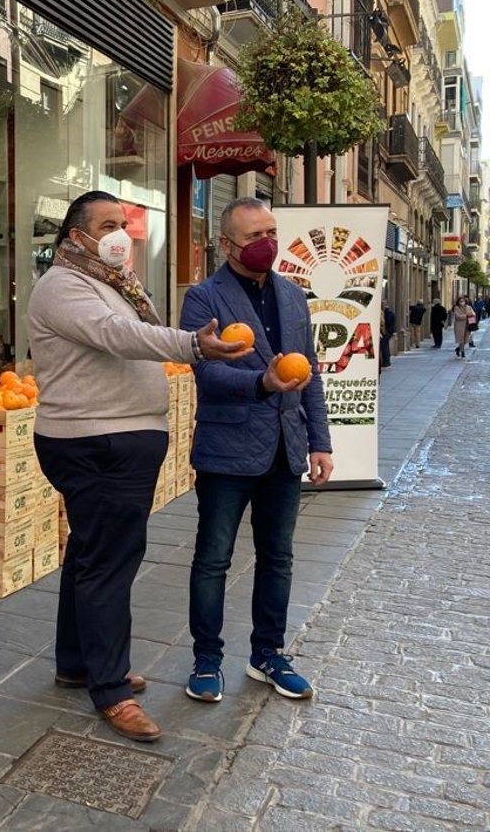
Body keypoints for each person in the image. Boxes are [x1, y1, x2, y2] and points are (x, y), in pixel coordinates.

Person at [28, 190, 250, 743]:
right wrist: (191, 346)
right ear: (75, 235)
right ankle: (111, 690)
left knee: (90, 552)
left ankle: (78, 662)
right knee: (111, 562)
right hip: (95, 441)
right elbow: (119, 336)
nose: (118, 234)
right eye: (106, 224)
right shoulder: (63, 286)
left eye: (122, 223)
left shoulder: (108, 284)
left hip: (117, 437)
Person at [179, 197, 333, 704]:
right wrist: (262, 384)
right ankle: (207, 660)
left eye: (271, 231)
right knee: (213, 559)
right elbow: (205, 371)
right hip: (227, 451)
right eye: (253, 236)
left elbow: (307, 373)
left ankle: (268, 654)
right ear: (227, 244)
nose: (266, 242)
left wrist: (320, 443)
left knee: (278, 559)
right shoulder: (204, 298)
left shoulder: (293, 296)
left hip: (285, 452)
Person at [380, 303, 396, 368]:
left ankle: (386, 362)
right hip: (389, 332)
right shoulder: (391, 313)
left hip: (386, 332)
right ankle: (387, 362)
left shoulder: (386, 313)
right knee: (386, 346)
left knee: (384, 347)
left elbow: (383, 322)